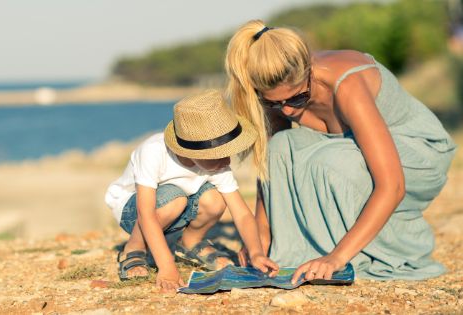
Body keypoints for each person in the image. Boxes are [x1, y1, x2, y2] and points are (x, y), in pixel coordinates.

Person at [224, 20, 457, 283]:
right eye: (275, 103)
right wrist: (261, 237)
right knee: (278, 147)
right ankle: (304, 249)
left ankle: (351, 251)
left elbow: (392, 186)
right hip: (349, 148)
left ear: (309, 72)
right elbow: (272, 167)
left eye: (297, 99)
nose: (287, 110)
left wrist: (336, 258)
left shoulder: (348, 86)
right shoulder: (276, 91)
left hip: (418, 152)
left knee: (331, 162)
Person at [105, 89, 279, 292]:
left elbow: (241, 214)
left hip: (178, 206)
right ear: (192, 150)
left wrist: (256, 252)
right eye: (218, 154)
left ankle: (190, 241)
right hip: (134, 211)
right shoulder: (153, 151)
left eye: (228, 152)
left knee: (216, 200)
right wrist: (167, 267)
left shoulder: (217, 164)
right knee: (174, 198)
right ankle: (134, 248)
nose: (227, 160)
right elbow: (146, 213)